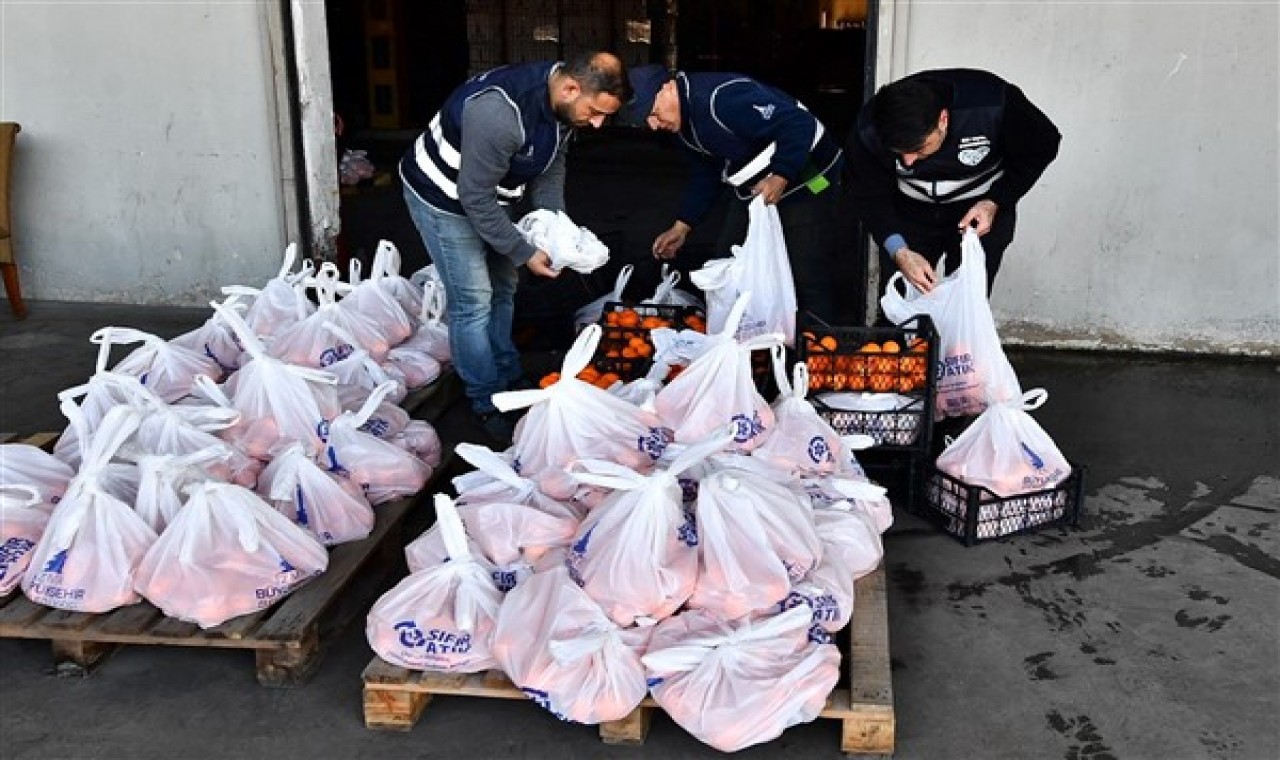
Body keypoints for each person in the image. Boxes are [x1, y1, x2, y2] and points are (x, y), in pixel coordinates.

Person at [399, 52, 630, 441]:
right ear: (571, 87)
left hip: (490, 195)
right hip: (443, 196)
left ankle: (508, 371)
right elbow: (473, 198)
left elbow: (551, 169)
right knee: (473, 300)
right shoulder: (499, 115)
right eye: (594, 111)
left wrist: (555, 231)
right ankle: (486, 400)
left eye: (605, 115)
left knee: (505, 287)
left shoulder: (563, 108)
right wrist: (524, 251)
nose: (598, 122)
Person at [618, 65, 845, 322]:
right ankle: (744, 341)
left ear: (668, 88)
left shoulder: (721, 99)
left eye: (653, 112)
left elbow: (798, 123)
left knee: (805, 264)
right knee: (728, 262)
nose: (654, 125)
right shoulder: (682, 128)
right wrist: (682, 226)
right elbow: (706, 174)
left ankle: (820, 341)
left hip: (810, 174)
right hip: (755, 189)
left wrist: (781, 175)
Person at [844, 68, 1061, 299]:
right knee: (902, 298)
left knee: (968, 298)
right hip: (909, 210)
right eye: (899, 153)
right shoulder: (869, 128)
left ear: (943, 120)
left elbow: (1042, 146)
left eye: (919, 149)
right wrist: (899, 251)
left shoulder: (991, 104)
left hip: (978, 209)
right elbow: (866, 194)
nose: (907, 163)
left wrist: (996, 200)